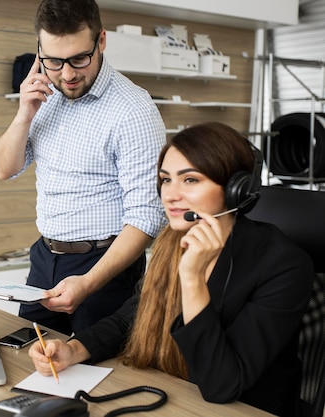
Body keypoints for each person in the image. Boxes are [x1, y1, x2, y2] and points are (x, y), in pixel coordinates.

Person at [28, 122, 314, 417]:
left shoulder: (283, 264)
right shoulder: (174, 240)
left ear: (235, 190)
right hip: (175, 393)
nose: (170, 195)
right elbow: (134, 316)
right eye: (166, 180)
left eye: (190, 180)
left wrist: (192, 279)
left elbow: (222, 384)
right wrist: (76, 349)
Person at [0, 0, 166, 335]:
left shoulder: (134, 111)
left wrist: (88, 283)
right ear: (40, 50)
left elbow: (147, 217)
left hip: (105, 267)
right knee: (29, 360)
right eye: (54, 61)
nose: (68, 74)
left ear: (101, 41)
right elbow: (4, 168)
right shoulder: (45, 95)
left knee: (99, 375)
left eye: (79, 59)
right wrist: (24, 111)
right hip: (45, 259)